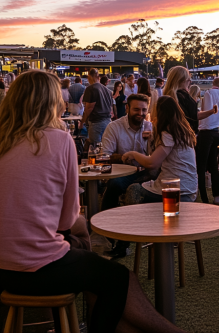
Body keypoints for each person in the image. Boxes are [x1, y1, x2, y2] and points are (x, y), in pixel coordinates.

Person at [0, 70, 186, 333]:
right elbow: (66, 221)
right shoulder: (59, 139)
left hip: (3, 268)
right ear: (52, 103)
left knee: (90, 264)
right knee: (119, 278)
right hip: (36, 268)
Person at [100, 94, 154, 259]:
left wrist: (151, 142)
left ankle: (123, 241)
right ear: (127, 109)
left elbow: (156, 159)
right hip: (123, 172)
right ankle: (107, 234)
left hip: (145, 173)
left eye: (144, 109)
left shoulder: (150, 127)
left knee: (132, 186)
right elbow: (104, 157)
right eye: (137, 109)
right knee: (115, 185)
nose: (141, 113)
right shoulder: (114, 127)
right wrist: (126, 157)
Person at [123, 96, 197, 205]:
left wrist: (133, 154)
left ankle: (135, 221)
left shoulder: (168, 133)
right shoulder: (182, 132)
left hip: (177, 191)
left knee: (134, 190)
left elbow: (152, 163)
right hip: (190, 188)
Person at [197, 77, 219, 204]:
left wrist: (213, 114)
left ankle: (203, 197)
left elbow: (206, 111)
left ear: (213, 84)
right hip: (216, 132)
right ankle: (217, 196)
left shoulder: (208, 93)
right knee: (213, 165)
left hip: (205, 132)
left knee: (201, 166)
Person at [162, 66, 214, 134]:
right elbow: (194, 116)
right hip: (185, 136)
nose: (190, 82)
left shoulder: (165, 98)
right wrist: (212, 111)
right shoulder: (185, 98)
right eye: (188, 80)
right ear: (182, 81)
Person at [80, 68, 112, 145]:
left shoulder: (91, 88)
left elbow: (89, 108)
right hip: (108, 121)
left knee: (95, 147)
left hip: (96, 122)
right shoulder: (107, 90)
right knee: (106, 146)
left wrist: (82, 122)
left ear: (89, 77)